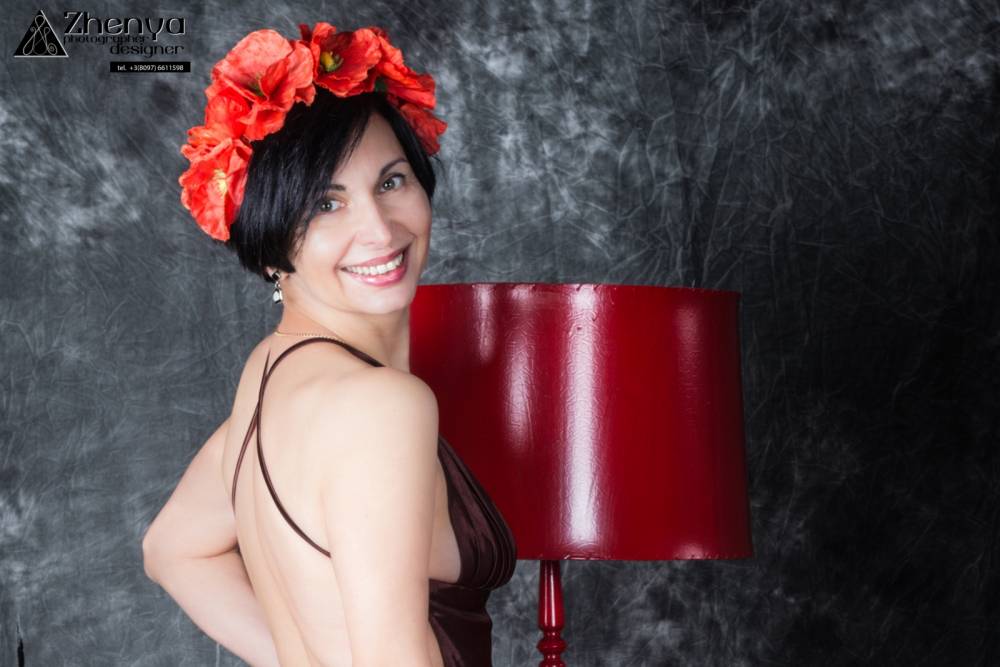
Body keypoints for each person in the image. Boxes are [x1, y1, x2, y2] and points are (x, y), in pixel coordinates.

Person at [141, 22, 517, 667]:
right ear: (269, 244)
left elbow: (173, 550)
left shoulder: (271, 377)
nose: (380, 231)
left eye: (391, 182)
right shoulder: (380, 404)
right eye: (326, 204)